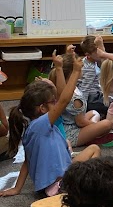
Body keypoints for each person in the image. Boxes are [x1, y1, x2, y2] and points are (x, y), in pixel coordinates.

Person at [0, 56, 99, 198]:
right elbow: (64, 100)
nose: (56, 104)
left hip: (64, 172)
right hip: (57, 182)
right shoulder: (40, 125)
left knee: (94, 149)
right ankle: (65, 188)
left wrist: (17, 188)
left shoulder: (36, 127)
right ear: (42, 108)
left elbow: (27, 161)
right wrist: (76, 72)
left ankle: (80, 185)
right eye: (53, 102)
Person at [59, 54, 113, 147]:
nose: (83, 69)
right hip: (72, 133)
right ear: (73, 71)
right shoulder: (75, 98)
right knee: (107, 124)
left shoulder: (66, 86)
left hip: (70, 124)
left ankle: (92, 135)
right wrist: (95, 126)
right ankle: (91, 138)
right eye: (81, 68)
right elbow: (80, 122)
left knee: (94, 113)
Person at [77, 35, 113, 117]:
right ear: (88, 55)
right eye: (97, 52)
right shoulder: (89, 68)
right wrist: (82, 111)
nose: (100, 54)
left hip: (96, 94)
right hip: (91, 99)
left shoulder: (91, 62)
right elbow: (84, 90)